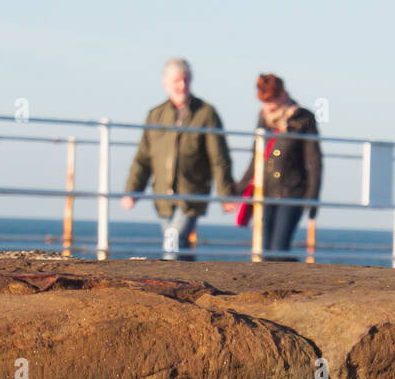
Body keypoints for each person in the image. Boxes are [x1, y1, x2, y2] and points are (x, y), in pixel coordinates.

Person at [121, 58, 235, 259]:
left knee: (172, 242)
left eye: (186, 80)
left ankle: (171, 283)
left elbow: (219, 157)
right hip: (163, 196)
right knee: (178, 244)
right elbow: (143, 158)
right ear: (165, 83)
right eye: (177, 81)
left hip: (191, 193)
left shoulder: (206, 113)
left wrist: (226, 194)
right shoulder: (155, 115)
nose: (182, 85)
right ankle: (193, 283)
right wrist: (132, 191)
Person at [234, 74, 322, 255]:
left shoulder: (303, 119)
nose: (269, 107)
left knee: (279, 248)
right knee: (265, 249)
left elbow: (314, 160)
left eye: (272, 100)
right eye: (265, 102)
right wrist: (238, 189)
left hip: (292, 192)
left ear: (283, 94)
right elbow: (256, 157)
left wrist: (313, 198)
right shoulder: (264, 118)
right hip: (265, 191)